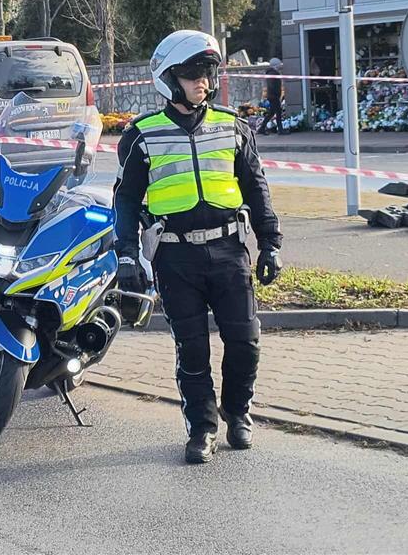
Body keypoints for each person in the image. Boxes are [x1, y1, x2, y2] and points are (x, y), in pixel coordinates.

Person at [113, 30, 283, 465]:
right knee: (192, 350)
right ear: (169, 79)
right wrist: (127, 255)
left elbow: (257, 189)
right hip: (176, 257)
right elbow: (126, 199)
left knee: (245, 342)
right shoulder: (142, 136)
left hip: (229, 252)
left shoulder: (233, 127)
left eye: (207, 72)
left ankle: (238, 413)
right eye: (192, 74)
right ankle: (202, 428)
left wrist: (270, 244)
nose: (203, 82)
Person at [258, 58, 288, 135]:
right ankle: (280, 130)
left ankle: (262, 128)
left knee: (272, 113)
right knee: (278, 113)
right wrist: (276, 93)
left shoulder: (271, 73)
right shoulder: (273, 73)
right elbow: (272, 85)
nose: (280, 66)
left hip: (272, 95)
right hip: (274, 96)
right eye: (278, 65)